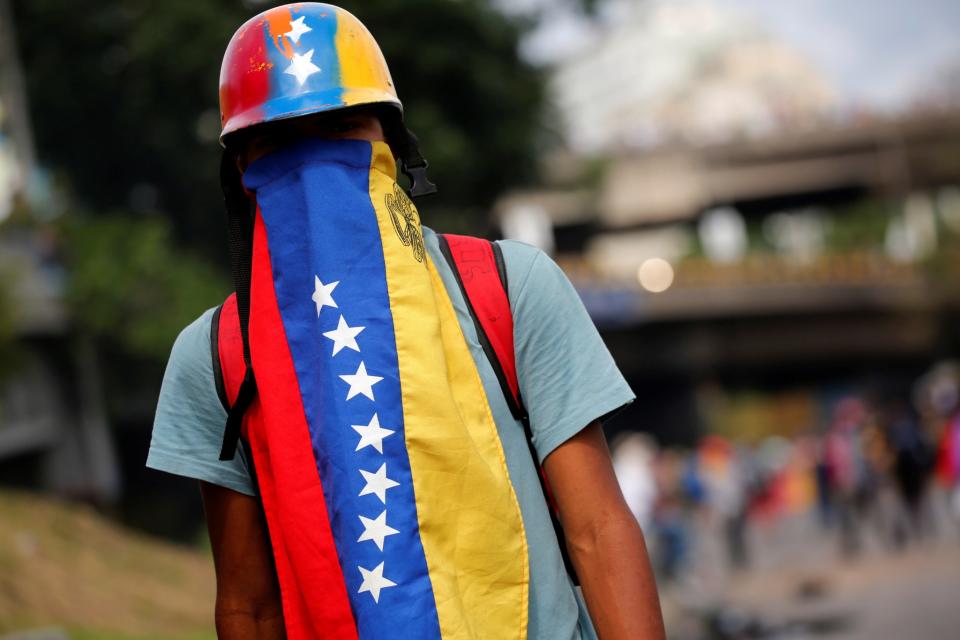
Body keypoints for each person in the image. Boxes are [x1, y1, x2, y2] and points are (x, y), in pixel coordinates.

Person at [146, 4, 664, 639]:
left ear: (392, 143)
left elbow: (597, 528)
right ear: (242, 172)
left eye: (343, 128)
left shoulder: (506, 288)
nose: (316, 165)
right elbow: (249, 606)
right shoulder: (218, 355)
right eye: (280, 143)